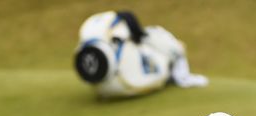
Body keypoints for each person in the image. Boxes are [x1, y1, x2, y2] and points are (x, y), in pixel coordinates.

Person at [74, 10, 208, 98]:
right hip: (140, 69)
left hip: (112, 82)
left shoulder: (95, 31)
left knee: (159, 37)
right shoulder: (128, 83)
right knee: (169, 42)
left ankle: (179, 73)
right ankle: (181, 75)